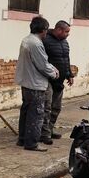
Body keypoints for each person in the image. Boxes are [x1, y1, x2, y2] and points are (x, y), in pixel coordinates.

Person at [15, 16, 59, 152]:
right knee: (36, 114)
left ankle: (22, 138)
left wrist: (50, 68)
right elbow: (42, 65)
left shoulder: (26, 40)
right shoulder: (36, 43)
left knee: (26, 112)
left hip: (26, 82)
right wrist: (54, 73)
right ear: (43, 30)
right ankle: (32, 143)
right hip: (35, 84)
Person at [41, 20, 73, 144]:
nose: (68, 34)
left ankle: (50, 128)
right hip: (48, 80)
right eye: (66, 31)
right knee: (47, 107)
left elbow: (66, 59)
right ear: (59, 30)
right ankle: (44, 133)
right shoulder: (45, 40)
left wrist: (69, 74)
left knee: (56, 108)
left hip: (60, 81)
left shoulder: (65, 43)